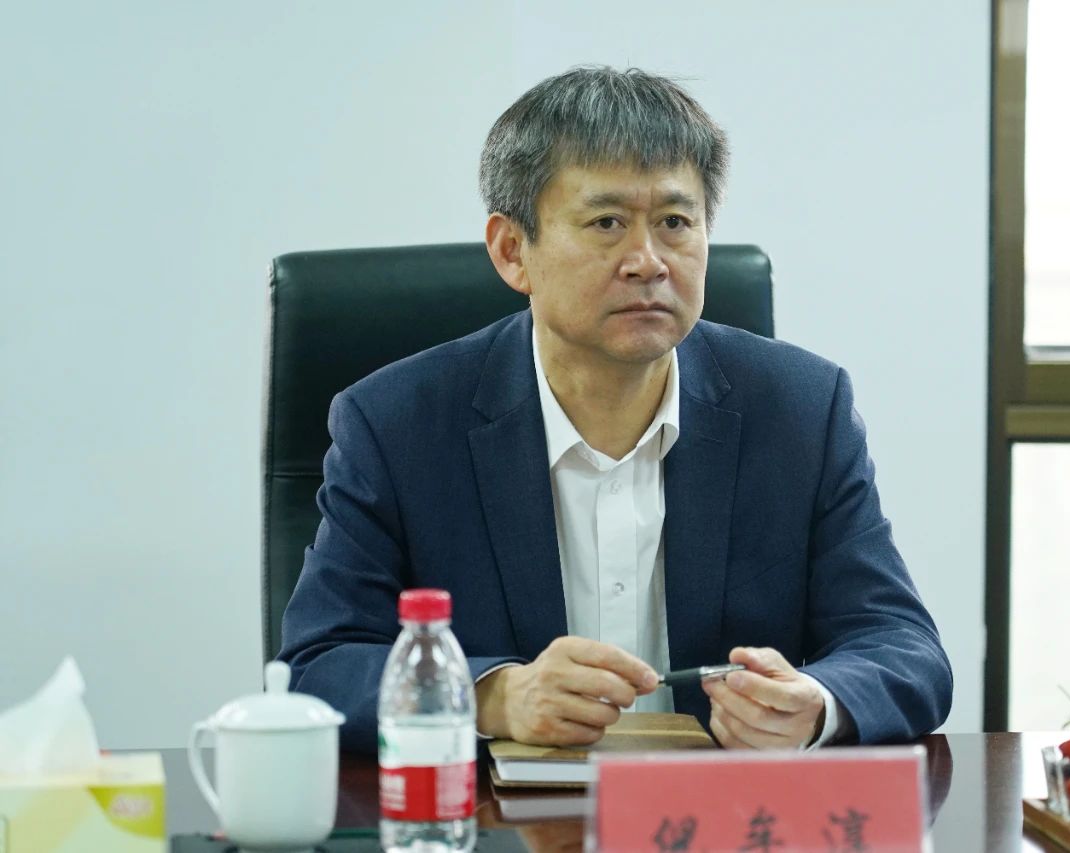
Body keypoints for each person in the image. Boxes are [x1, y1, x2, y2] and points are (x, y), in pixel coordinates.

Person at [279, 66, 952, 755]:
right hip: (498, 811)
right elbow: (321, 664)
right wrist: (494, 696)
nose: (647, 261)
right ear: (513, 251)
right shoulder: (397, 424)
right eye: (607, 223)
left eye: (674, 223)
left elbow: (902, 647)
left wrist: (814, 704)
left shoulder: (802, 409)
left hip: (719, 806)